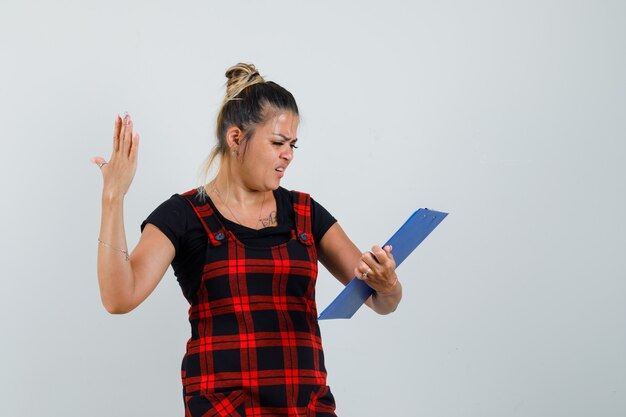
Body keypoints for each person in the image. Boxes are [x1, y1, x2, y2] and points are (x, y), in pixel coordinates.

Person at [92, 63, 402, 416]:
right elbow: (119, 298)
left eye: (293, 145)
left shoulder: (305, 212)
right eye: (277, 142)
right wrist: (113, 197)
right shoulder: (182, 216)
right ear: (236, 138)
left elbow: (381, 301)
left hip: (307, 409)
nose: (288, 154)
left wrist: (388, 283)